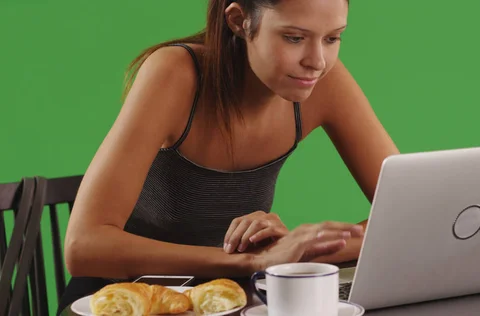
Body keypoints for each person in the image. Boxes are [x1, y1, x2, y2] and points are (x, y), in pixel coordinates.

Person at [58, 0, 399, 313]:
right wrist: (249, 262)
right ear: (239, 21)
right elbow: (83, 247)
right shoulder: (175, 73)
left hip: (224, 299)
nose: (317, 61)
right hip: (120, 300)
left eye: (332, 38)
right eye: (294, 38)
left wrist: (293, 250)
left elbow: (406, 216)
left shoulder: (323, 82)